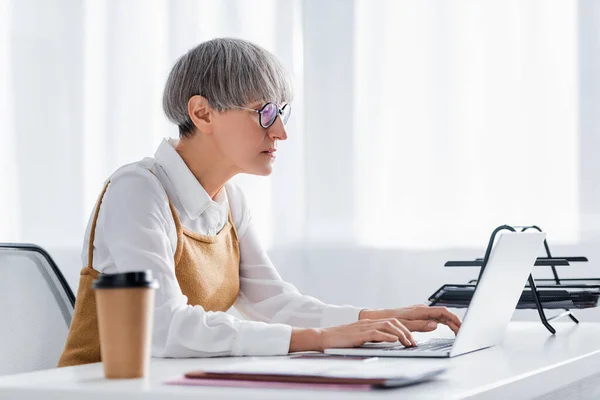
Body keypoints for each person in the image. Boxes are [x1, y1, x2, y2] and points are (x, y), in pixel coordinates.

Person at [58, 38, 461, 366]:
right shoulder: (137, 190)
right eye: (265, 112)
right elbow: (160, 327)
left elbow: (273, 302)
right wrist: (320, 339)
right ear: (202, 113)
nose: (281, 132)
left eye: (281, 112)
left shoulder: (230, 200)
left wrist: (369, 319)